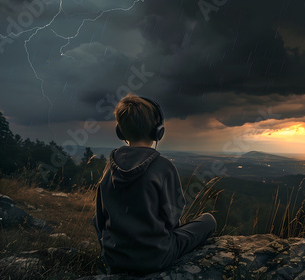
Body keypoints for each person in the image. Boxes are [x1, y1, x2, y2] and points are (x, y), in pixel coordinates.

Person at [93, 93, 217, 275]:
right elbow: (172, 218)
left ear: (120, 131)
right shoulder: (163, 167)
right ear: (157, 131)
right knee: (208, 220)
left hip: (115, 258)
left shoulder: (109, 167)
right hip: (156, 258)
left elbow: (99, 219)